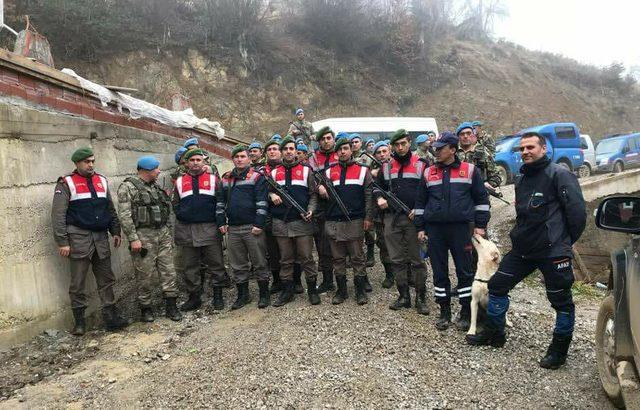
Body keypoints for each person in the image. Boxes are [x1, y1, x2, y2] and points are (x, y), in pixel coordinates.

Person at [467, 132, 586, 370]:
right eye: (521, 149)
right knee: (497, 286)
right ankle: (495, 333)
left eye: (530, 147)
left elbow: (577, 215)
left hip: (553, 251)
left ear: (544, 148)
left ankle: (558, 350)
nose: (525, 152)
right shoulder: (523, 180)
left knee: (561, 301)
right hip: (523, 250)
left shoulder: (560, 175)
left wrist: (563, 242)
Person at [414, 132, 490, 331]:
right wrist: (420, 227)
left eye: (440, 148)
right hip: (435, 230)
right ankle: (444, 311)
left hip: (461, 230)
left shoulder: (470, 170)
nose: (436, 151)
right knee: (439, 272)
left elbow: (482, 201)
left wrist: (480, 226)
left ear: (453, 150)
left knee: (464, 272)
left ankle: (465, 312)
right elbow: (420, 203)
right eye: (435, 148)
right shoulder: (428, 172)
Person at [51, 147, 128, 335]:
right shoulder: (66, 183)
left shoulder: (101, 180)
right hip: (78, 238)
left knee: (106, 279)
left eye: (93, 161)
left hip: (101, 237)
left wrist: (115, 230)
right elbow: (58, 215)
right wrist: (62, 241)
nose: (91, 165)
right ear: (77, 163)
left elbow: (109, 208)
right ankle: (79, 323)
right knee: (78, 282)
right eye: (87, 162)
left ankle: (111, 318)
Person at [117, 156, 181, 322]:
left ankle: (171, 306)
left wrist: (168, 233)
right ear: (146, 170)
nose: (159, 171)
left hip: (162, 235)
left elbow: (166, 212)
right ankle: (146, 308)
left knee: (169, 271)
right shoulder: (128, 187)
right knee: (144, 275)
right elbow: (125, 216)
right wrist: (133, 239)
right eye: (156, 169)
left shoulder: (156, 187)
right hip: (143, 237)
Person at [375, 129, 430, 316]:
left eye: (403, 143)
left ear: (409, 143)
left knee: (417, 260)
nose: (400, 147)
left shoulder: (422, 164)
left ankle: (421, 298)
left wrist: (420, 210)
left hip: (413, 219)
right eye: (396, 145)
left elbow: (431, 190)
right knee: (396, 259)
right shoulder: (386, 167)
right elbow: (377, 188)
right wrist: (379, 199)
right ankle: (403, 296)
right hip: (392, 219)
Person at [173, 149, 227, 311]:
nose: (195, 162)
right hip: (187, 229)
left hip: (209, 228)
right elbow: (175, 204)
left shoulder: (214, 180)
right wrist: (185, 215)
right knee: (190, 265)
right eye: (192, 160)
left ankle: (218, 295)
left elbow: (220, 202)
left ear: (204, 162)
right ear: (187, 163)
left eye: (198, 159)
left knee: (216, 263)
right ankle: (194, 297)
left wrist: (219, 222)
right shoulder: (180, 182)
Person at [268, 137, 320, 306]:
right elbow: (265, 192)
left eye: (292, 148)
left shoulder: (306, 170)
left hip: (302, 221)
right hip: (281, 223)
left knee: (306, 257)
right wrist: (271, 195)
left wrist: (311, 209)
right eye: (286, 149)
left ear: (296, 151)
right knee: (285, 259)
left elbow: (313, 194)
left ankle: (312, 290)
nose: (289, 151)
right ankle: (287, 291)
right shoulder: (274, 172)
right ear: (282, 152)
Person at [323, 137, 374, 305]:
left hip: (355, 220)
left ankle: (360, 291)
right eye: (340, 149)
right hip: (334, 221)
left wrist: (368, 217)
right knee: (337, 258)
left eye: (345, 148)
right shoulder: (328, 171)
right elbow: (318, 193)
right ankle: (342, 291)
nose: (343, 152)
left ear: (351, 150)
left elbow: (368, 196)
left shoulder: (362, 170)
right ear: (336, 153)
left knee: (357, 257)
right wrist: (319, 187)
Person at [220, 145, 270, 309]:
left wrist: (259, 223)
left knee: (259, 261)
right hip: (233, 228)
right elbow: (220, 203)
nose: (240, 159)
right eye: (237, 157)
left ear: (249, 158)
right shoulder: (226, 178)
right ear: (233, 159)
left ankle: (264, 294)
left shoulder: (257, 177)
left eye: (243, 156)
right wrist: (221, 221)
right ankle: (243, 295)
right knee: (238, 264)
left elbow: (262, 202)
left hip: (252, 227)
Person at [308, 126, 340, 293]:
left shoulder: (340, 153)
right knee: (323, 245)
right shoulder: (313, 158)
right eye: (323, 139)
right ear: (319, 141)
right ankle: (328, 281)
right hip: (321, 207)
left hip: (340, 205)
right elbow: (309, 178)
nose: (326, 141)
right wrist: (318, 186)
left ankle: (359, 281)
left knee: (346, 244)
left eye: (329, 138)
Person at [262, 137, 287, 293]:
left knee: (290, 249)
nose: (272, 151)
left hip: (288, 214)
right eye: (269, 149)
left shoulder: (289, 168)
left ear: (281, 152)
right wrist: (270, 194)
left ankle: (295, 281)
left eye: (275, 149)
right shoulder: (260, 171)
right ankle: (277, 280)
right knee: (272, 250)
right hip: (268, 215)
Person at [370, 140, 393, 288]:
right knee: (383, 245)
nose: (382, 154)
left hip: (398, 213)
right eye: (378, 152)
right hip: (380, 214)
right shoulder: (370, 170)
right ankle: (389, 275)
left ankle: (408, 273)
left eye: (384, 151)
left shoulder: (397, 166)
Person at [456, 122, 501, 188]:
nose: (465, 136)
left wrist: (488, 185)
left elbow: (496, 176)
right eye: (462, 134)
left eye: (468, 133)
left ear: (473, 135)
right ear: (458, 137)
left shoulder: (483, 152)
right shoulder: (453, 152)